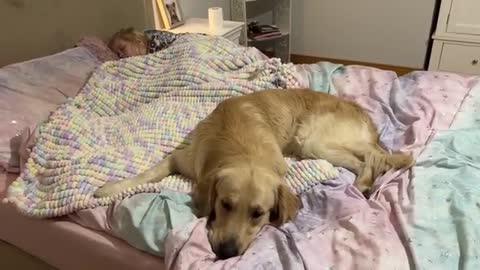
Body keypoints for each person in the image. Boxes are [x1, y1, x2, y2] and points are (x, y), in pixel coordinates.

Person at [108, 27, 178, 58]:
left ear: (137, 41)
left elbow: (174, 40)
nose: (121, 55)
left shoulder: (155, 40)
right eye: (117, 54)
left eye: (122, 48)